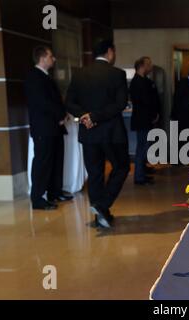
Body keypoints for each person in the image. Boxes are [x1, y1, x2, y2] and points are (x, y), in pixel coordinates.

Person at [66, 39, 130, 228]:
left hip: (88, 132)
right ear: (110, 52)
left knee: (94, 173)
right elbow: (120, 104)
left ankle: (100, 215)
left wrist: (85, 116)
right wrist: (95, 116)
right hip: (112, 132)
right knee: (121, 167)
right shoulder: (117, 74)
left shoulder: (79, 74)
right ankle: (102, 205)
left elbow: (69, 102)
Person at [25, 46, 73, 210]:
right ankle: (38, 198)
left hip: (54, 127)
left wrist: (62, 114)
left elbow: (53, 100)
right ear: (43, 58)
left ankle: (55, 192)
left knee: (56, 160)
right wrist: (60, 115)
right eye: (51, 56)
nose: (54, 59)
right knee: (43, 162)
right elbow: (42, 103)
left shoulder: (45, 77)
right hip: (44, 128)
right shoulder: (34, 77)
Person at [129, 56, 160, 185]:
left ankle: (142, 173)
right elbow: (144, 102)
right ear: (142, 66)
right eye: (148, 64)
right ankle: (139, 177)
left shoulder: (144, 81)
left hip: (146, 119)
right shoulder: (137, 82)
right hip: (142, 120)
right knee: (142, 147)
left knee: (144, 147)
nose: (151, 66)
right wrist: (153, 113)